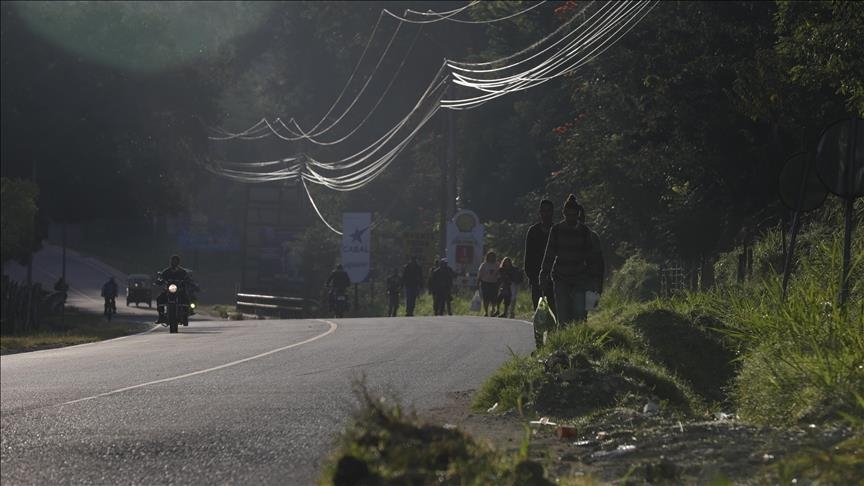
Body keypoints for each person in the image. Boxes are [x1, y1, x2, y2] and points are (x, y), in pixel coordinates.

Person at [539, 194, 605, 326]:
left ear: (578, 214)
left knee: (579, 315)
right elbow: (550, 255)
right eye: (568, 215)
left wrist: (595, 281)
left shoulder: (584, 231)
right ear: (564, 214)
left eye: (574, 215)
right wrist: (543, 274)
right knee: (563, 316)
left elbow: (591, 258)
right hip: (561, 278)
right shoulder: (556, 230)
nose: (571, 218)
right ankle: (563, 343)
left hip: (580, 277)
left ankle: (577, 343)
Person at [524, 199, 556, 313]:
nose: (546, 214)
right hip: (536, 279)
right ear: (540, 213)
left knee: (553, 313)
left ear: (552, 212)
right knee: (540, 315)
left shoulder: (556, 230)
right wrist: (533, 278)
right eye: (543, 211)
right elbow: (528, 257)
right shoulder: (533, 231)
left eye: (548, 211)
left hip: (554, 280)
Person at [155, 255, 192, 324]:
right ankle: (161, 316)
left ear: (178, 262)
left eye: (176, 261)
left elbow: (187, 278)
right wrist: (159, 281)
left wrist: (189, 282)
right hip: (168, 290)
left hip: (180, 290)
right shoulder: (166, 271)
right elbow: (161, 278)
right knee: (159, 299)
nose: (174, 262)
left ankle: (185, 316)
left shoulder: (182, 271)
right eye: (173, 261)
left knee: (186, 299)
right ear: (171, 262)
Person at [477, 251, 500, 317]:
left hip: (494, 283)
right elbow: (480, 274)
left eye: (493, 256)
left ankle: (492, 310)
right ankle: (486, 312)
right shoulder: (484, 264)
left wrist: (499, 282)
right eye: (490, 256)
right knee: (486, 298)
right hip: (485, 283)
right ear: (487, 257)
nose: (491, 257)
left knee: (494, 298)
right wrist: (478, 283)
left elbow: (499, 274)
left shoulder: (497, 264)